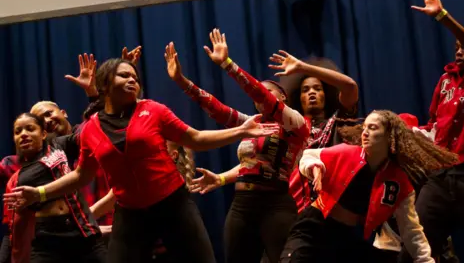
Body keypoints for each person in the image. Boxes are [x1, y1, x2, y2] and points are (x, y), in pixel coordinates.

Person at [4, 57, 276, 263]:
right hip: (131, 215)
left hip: (174, 206)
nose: (132, 79)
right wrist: (38, 193)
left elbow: (195, 138)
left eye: (134, 75)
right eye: (124, 75)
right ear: (106, 83)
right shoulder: (90, 129)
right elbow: (80, 176)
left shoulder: (153, 110)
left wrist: (240, 130)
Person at [164, 27, 310, 263]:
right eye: (259, 95)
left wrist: (227, 64)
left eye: (269, 91)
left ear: (282, 97)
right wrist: (182, 81)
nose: (260, 96)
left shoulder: (295, 123)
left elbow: (259, 93)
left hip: (276, 204)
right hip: (242, 205)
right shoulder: (252, 124)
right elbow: (216, 109)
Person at [279, 110, 459, 262]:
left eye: (372, 128)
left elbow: (411, 230)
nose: (364, 132)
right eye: (364, 127)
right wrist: (314, 168)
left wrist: (425, 260)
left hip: (346, 237)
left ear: (390, 137)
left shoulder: (398, 182)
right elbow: (309, 155)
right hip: (313, 228)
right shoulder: (347, 152)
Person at [398, 0, 464, 262]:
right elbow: (433, 126)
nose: (459, 51)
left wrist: (443, 17)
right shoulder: (445, 80)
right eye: (456, 46)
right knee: (415, 249)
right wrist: (407, 132)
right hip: (440, 177)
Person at [10, 113, 107, 262]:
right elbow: (19, 225)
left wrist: (93, 96)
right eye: (18, 132)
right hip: (48, 241)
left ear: (43, 134)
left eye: (30, 129)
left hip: (82, 232)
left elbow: (90, 131)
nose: (23, 134)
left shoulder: (58, 146)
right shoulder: (19, 174)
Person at [269, 53, 359, 213]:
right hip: (298, 209)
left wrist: (303, 68)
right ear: (298, 97)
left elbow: (350, 87)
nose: (312, 92)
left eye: (317, 88)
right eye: (306, 90)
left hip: (337, 207)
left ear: (326, 95)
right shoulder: (289, 129)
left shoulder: (339, 122)